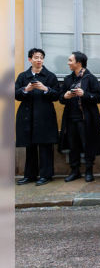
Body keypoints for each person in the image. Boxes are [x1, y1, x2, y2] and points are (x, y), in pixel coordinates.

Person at [15, 48, 60, 185]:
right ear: (30, 59)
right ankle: (30, 175)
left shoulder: (50, 76)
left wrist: (45, 89)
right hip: (27, 116)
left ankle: (46, 175)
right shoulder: (23, 76)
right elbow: (15, 94)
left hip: (45, 116)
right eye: (36, 57)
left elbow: (57, 95)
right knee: (30, 146)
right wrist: (26, 89)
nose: (39, 60)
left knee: (45, 146)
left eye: (41, 57)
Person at [59, 51, 100, 182]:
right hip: (70, 117)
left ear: (78, 63)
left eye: (70, 60)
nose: (68, 63)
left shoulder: (90, 78)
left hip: (86, 118)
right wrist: (65, 96)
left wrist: (84, 94)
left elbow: (98, 98)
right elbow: (61, 98)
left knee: (87, 144)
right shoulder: (68, 79)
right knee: (73, 145)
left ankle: (89, 171)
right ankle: (75, 171)